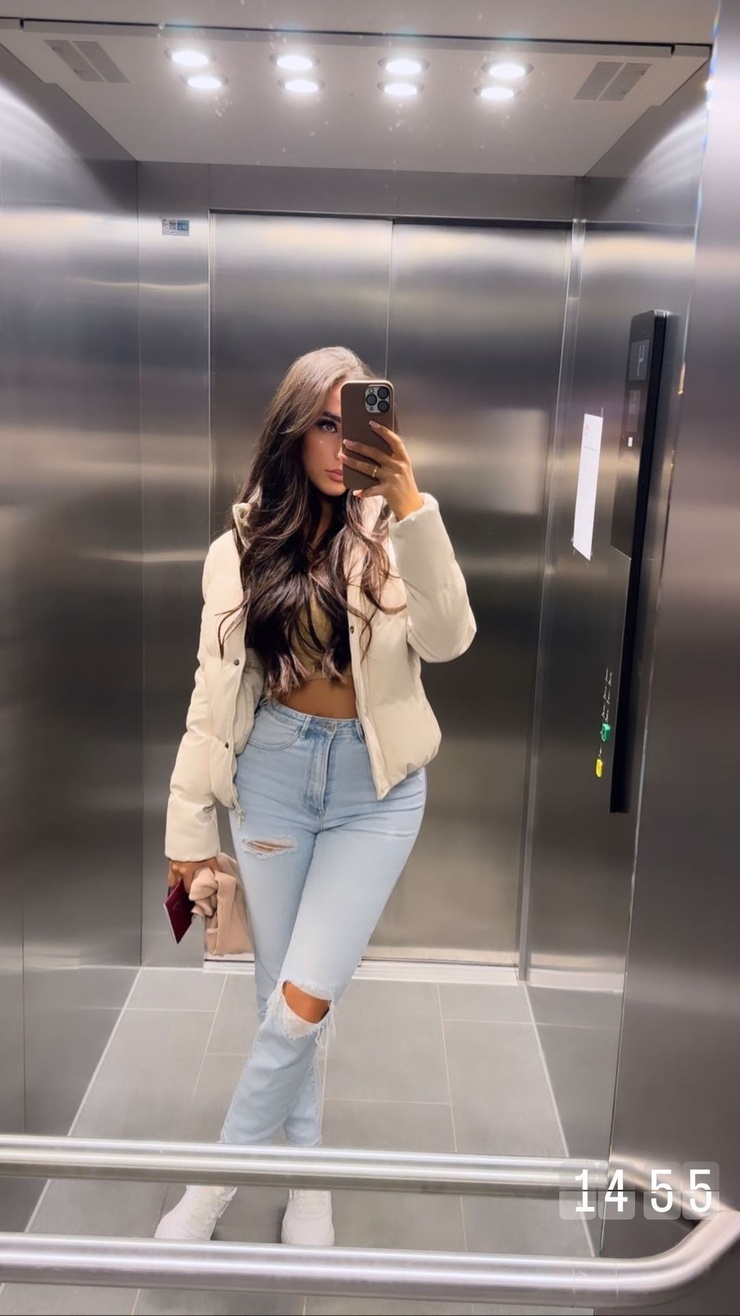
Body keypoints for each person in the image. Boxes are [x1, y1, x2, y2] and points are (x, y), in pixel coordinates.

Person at [154, 346, 476, 1247]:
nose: (341, 446)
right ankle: (307, 1178)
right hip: (273, 781)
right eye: (324, 425)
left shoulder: (398, 529)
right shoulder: (239, 549)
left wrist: (412, 506)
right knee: (281, 998)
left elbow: (449, 640)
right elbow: (212, 697)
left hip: (376, 794)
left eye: (356, 423)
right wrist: (188, 826)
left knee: (304, 999)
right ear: (293, 432)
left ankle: (214, 1188)